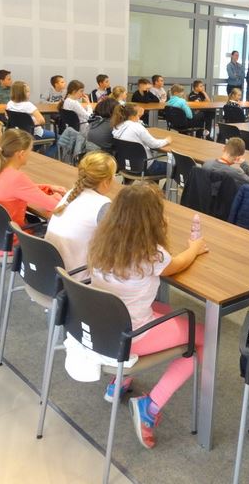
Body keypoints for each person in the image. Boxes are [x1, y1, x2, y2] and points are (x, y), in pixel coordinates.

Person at [87, 183, 207, 449]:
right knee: (205, 337)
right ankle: (150, 407)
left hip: (103, 328)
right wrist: (195, 246)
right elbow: (179, 263)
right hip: (131, 335)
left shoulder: (101, 241)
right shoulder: (151, 253)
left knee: (167, 311)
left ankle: (118, 381)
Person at [0, 129, 65, 237]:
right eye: (30, 150)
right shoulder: (16, 178)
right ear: (21, 154)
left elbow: (21, 189)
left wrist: (48, 187)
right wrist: (57, 196)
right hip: (14, 239)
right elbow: (55, 206)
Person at [45, 151, 116, 274]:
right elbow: (119, 244)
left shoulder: (72, 193)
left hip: (49, 270)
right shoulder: (102, 204)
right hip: (74, 277)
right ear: (106, 181)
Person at [111, 103, 171, 177]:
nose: (139, 119)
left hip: (125, 166)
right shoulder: (137, 127)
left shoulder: (117, 127)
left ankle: (151, 184)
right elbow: (154, 144)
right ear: (133, 116)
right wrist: (166, 140)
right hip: (145, 167)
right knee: (175, 168)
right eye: (138, 116)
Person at [6, 81, 56, 155]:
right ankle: (47, 157)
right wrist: (29, 123)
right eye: (27, 91)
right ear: (21, 93)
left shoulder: (10, 104)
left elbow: (7, 117)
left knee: (38, 143)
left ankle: (30, 152)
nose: (29, 93)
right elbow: (42, 121)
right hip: (34, 134)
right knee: (59, 138)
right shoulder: (28, 105)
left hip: (19, 133)